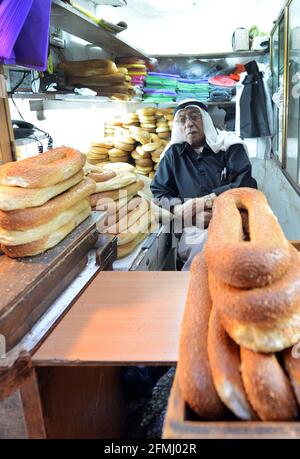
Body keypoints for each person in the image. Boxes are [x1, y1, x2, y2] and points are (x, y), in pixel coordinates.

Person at [151, 99, 257, 271]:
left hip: (232, 221)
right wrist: (186, 215)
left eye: (194, 117)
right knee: (203, 252)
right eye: (183, 120)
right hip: (192, 227)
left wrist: (204, 202)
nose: (189, 124)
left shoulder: (230, 147)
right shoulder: (173, 155)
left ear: (206, 120)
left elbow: (244, 187)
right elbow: (160, 192)